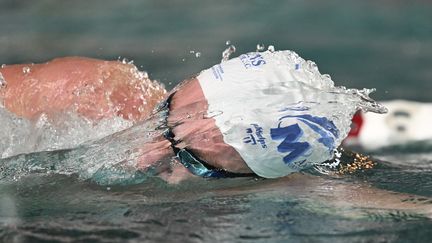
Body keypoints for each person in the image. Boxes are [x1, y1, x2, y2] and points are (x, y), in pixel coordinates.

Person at [0, 51, 372, 182]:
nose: (145, 156)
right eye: (163, 118)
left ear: (239, 179)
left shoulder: (272, 189)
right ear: (178, 88)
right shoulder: (78, 90)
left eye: (191, 162)